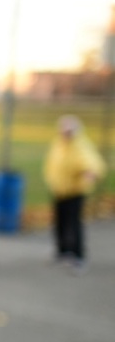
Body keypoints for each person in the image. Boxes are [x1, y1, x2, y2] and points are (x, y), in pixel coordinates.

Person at [43, 115, 106, 273]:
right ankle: (62, 251)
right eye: (64, 130)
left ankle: (77, 255)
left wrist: (90, 174)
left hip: (74, 192)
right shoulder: (58, 144)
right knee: (60, 223)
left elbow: (92, 163)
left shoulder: (80, 146)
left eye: (69, 131)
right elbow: (52, 164)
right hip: (59, 191)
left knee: (74, 224)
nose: (66, 134)